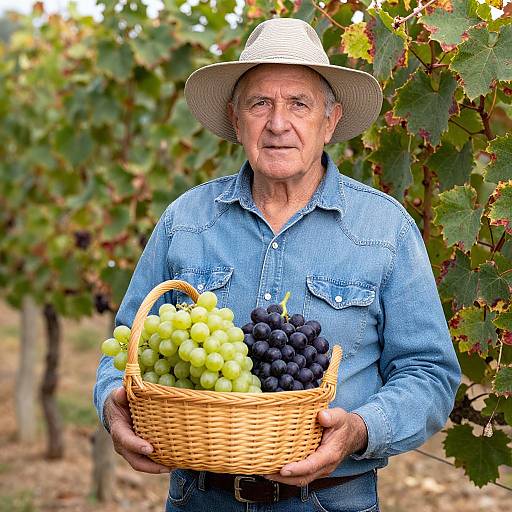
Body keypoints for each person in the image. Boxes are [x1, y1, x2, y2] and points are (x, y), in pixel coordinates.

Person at [94, 17, 461, 512]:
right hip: (200, 499)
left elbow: (429, 372)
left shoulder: (384, 229)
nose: (278, 123)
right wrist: (112, 408)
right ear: (235, 118)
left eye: (299, 104)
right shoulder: (187, 220)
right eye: (259, 103)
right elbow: (124, 346)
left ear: (329, 121)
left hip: (331, 500)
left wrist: (360, 429)